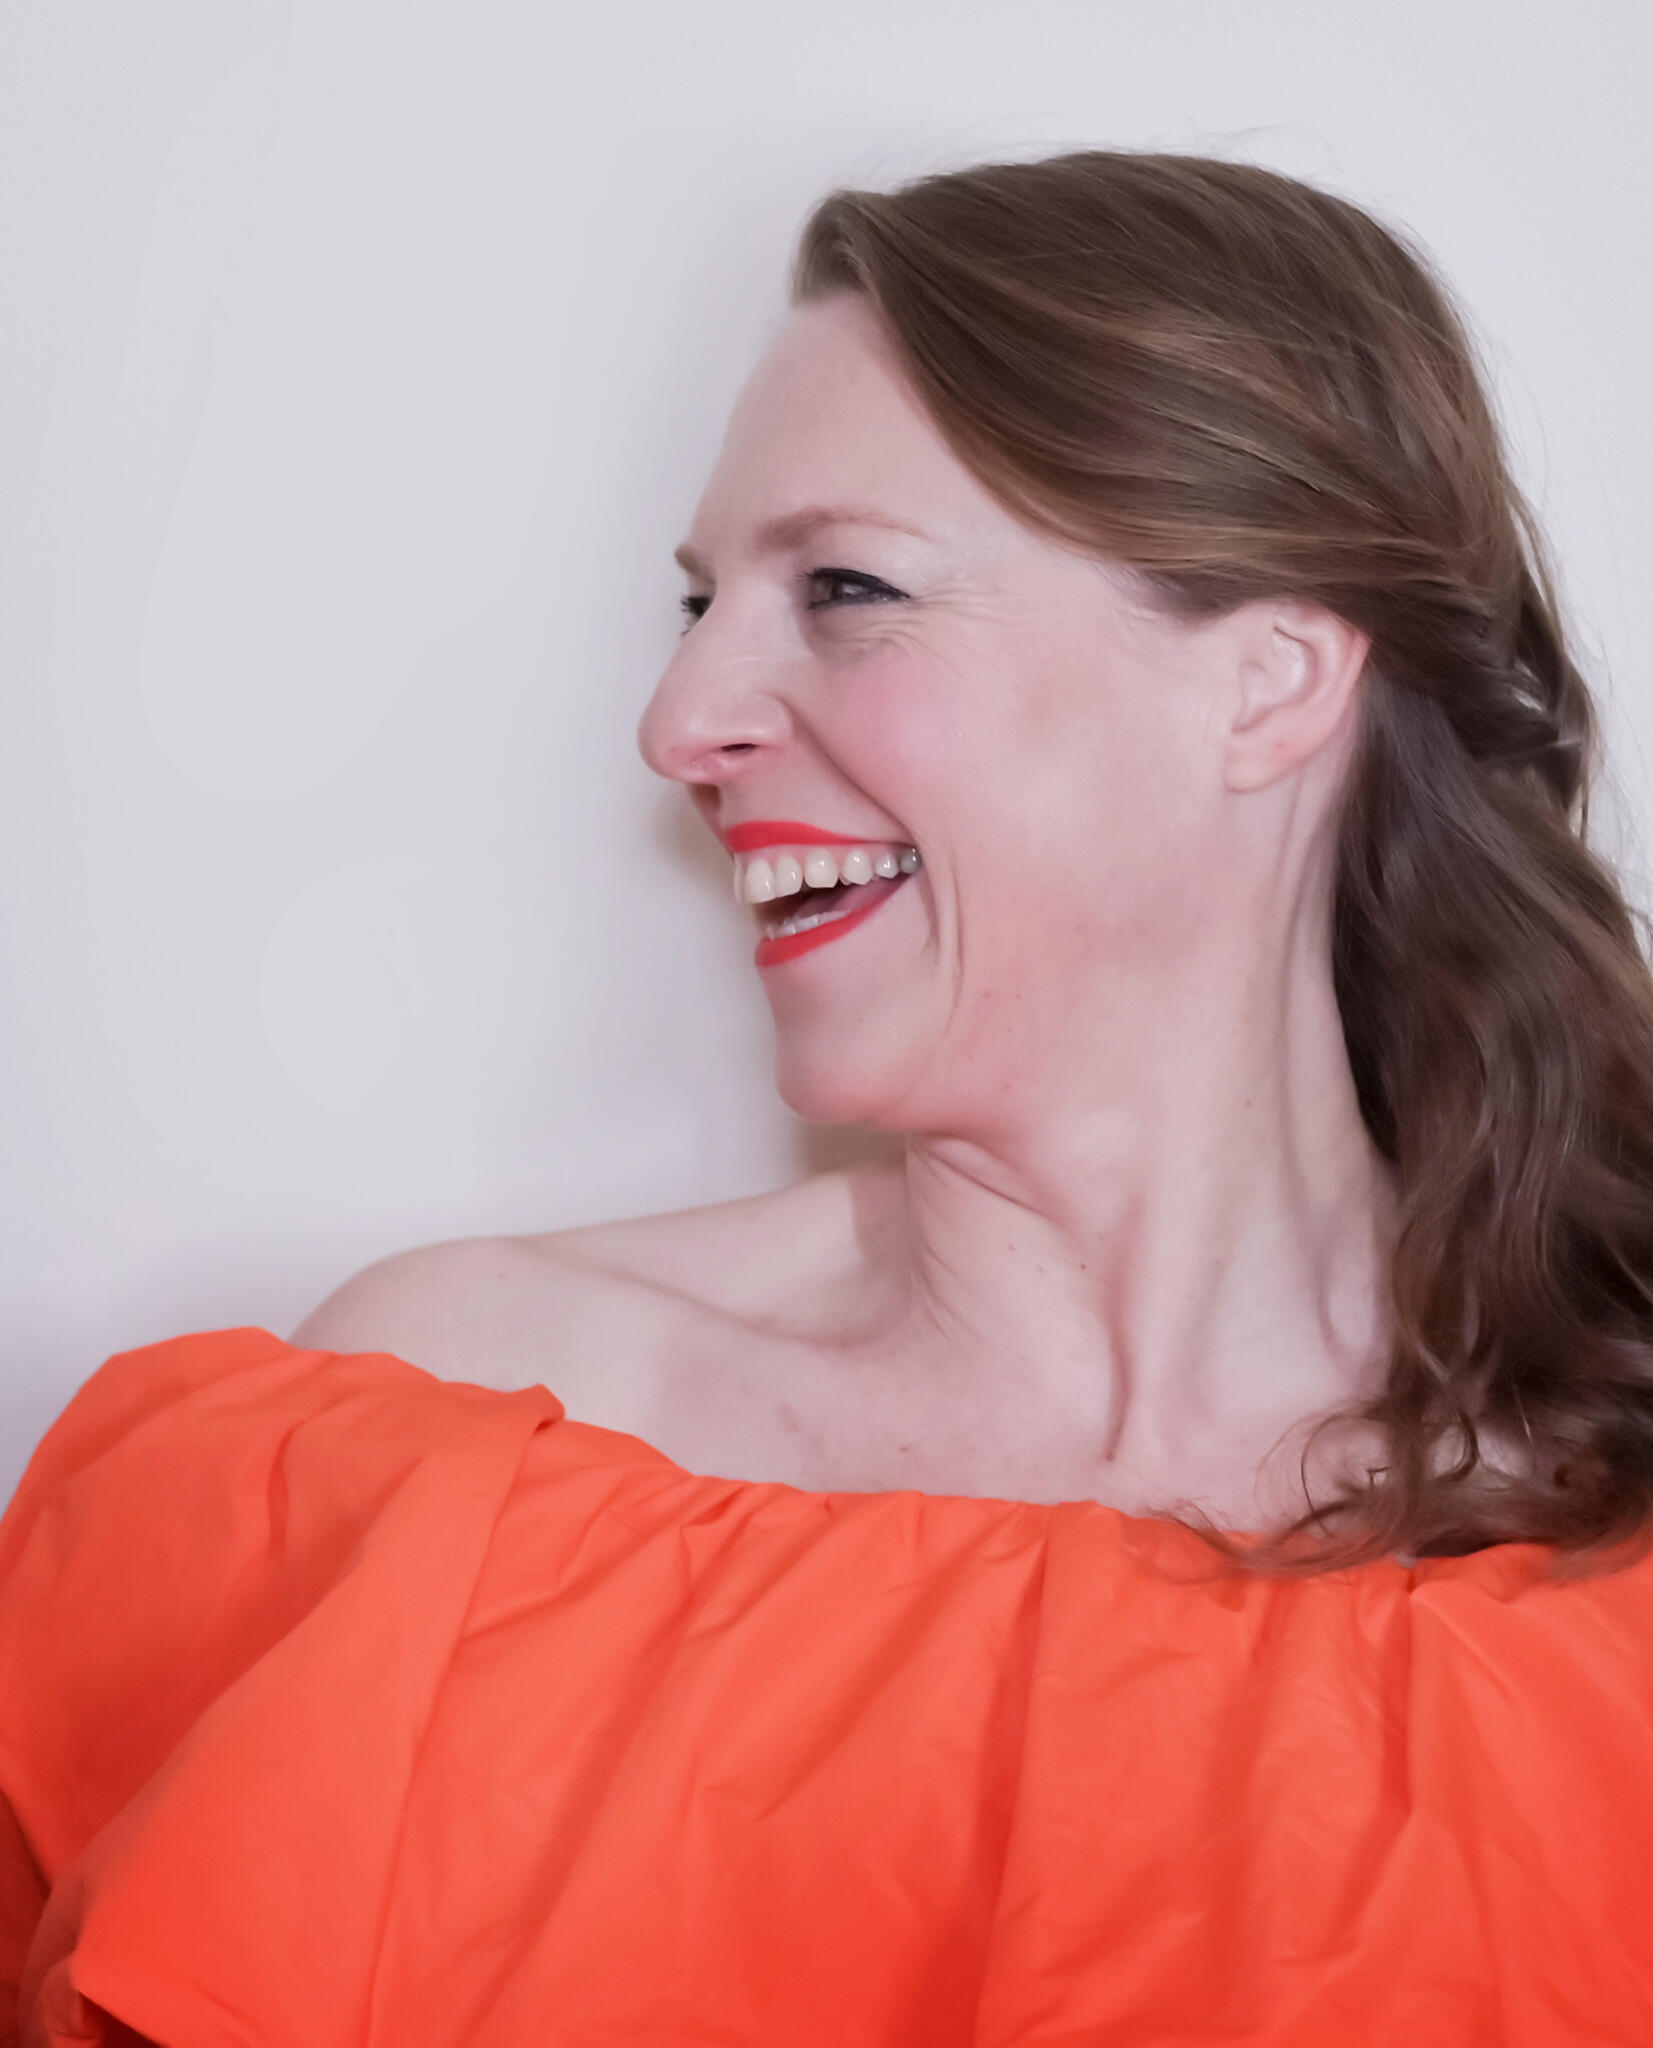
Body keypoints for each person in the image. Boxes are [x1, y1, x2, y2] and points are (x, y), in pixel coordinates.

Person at [4, 149, 1653, 2045]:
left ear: (1268, 685)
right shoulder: (436, 1446)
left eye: (846, 588)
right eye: (697, 604)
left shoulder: (1603, 1563)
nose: (677, 723)